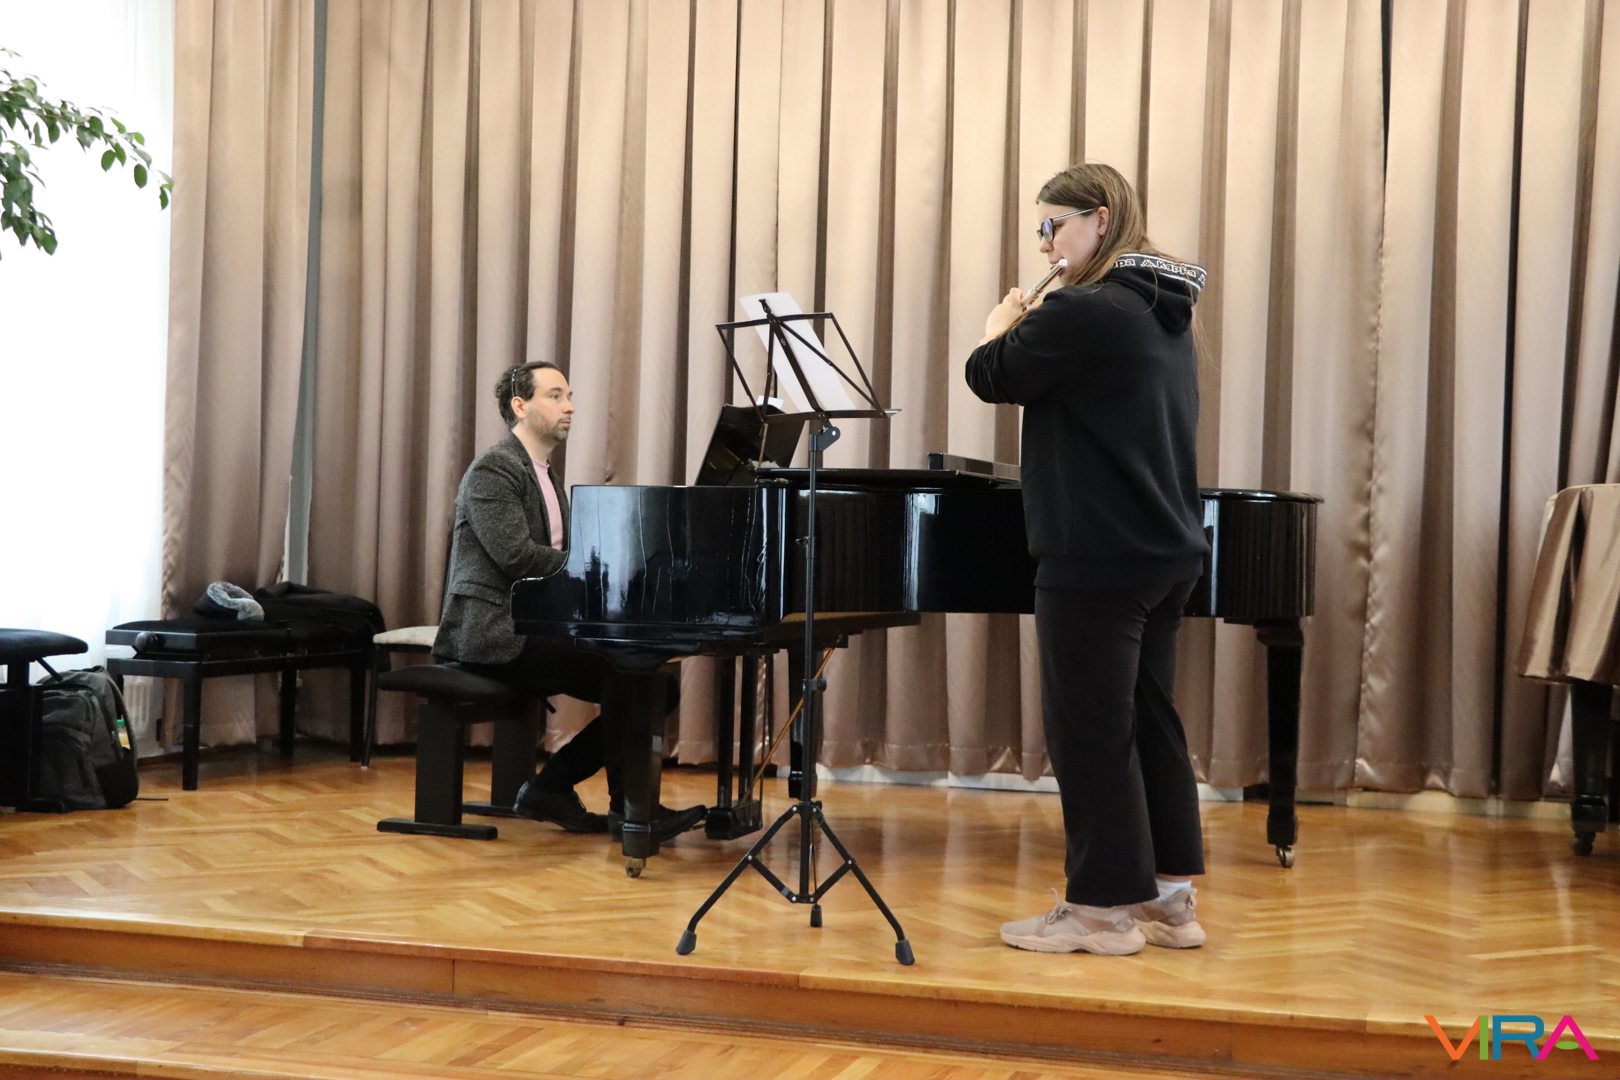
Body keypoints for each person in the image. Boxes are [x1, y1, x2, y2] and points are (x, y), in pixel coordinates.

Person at [965, 163, 1210, 956]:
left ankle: (1101, 914)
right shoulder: (1164, 308)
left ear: (1099, 219)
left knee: (1091, 734)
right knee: (1150, 723)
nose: (1044, 246)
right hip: (1165, 551)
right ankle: (1170, 901)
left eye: (1053, 227)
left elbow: (989, 375)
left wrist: (1002, 321)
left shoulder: (1083, 309)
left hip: (1097, 554)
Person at [432, 361, 706, 840]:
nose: (570, 407)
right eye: (555, 396)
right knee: (624, 670)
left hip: (536, 625)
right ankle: (631, 811)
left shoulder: (546, 475)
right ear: (520, 407)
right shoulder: (494, 468)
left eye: (570, 396)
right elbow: (517, 556)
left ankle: (557, 789)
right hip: (495, 630)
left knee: (654, 684)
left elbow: (558, 558)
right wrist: (600, 567)